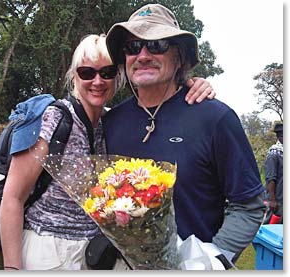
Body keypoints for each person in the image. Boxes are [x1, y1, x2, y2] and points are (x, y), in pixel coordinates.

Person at [0, 34, 215, 270]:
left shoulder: (109, 122)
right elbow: (12, 198)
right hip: (48, 249)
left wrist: (192, 84)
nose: (98, 81)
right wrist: (12, 268)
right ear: (74, 75)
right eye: (87, 73)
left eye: (107, 72)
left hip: (95, 252)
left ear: (118, 76)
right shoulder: (54, 119)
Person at [103, 3, 265, 268]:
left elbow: (249, 205)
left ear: (179, 57)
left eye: (156, 45)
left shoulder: (215, 118)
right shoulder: (109, 123)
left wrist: (214, 259)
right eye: (133, 47)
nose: (143, 55)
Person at [263, 123, 283, 224]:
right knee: (270, 229)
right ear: (279, 137)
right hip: (277, 202)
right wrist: (272, 200)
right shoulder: (274, 153)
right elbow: (271, 178)